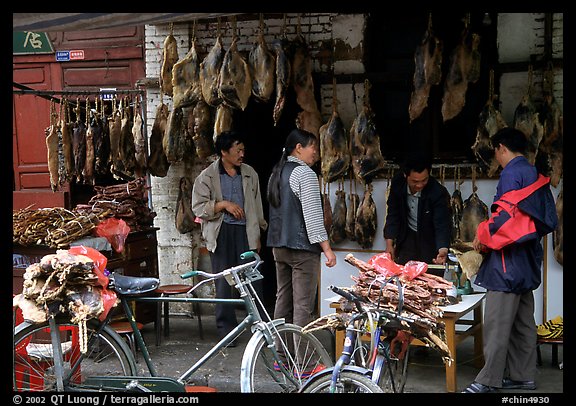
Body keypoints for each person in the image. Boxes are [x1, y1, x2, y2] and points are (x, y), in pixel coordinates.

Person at [462, 127, 558, 393]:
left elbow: (503, 219)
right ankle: (522, 376)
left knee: (496, 324)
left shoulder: (511, 174)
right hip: (527, 262)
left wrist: (482, 233)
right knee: (523, 323)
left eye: (496, 152)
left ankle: (487, 380)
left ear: (501, 148)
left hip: (507, 264)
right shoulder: (533, 173)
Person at [192, 130, 268, 344]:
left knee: (253, 281)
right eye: (238, 150)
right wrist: (223, 204)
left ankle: (260, 329)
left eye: (243, 149)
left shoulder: (250, 173)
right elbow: (198, 208)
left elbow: (257, 205)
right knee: (224, 283)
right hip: (222, 233)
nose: (242, 154)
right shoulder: (206, 176)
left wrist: (258, 233)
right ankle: (227, 331)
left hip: (245, 232)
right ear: (224, 152)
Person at [266, 128, 337, 332]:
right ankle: (302, 360)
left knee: (283, 300)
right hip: (302, 249)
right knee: (303, 306)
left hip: (279, 246)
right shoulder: (305, 174)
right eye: (313, 147)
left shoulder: (276, 173)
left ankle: (281, 356)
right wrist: (327, 249)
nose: (316, 152)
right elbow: (313, 217)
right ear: (298, 148)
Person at [383, 152, 452, 274]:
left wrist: (442, 249)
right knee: (404, 277)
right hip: (407, 237)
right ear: (405, 175)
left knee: (429, 277)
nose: (420, 185)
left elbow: (442, 223)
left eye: (424, 180)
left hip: (430, 239)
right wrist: (389, 244)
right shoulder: (398, 184)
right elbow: (393, 214)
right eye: (415, 181)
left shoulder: (437, 192)